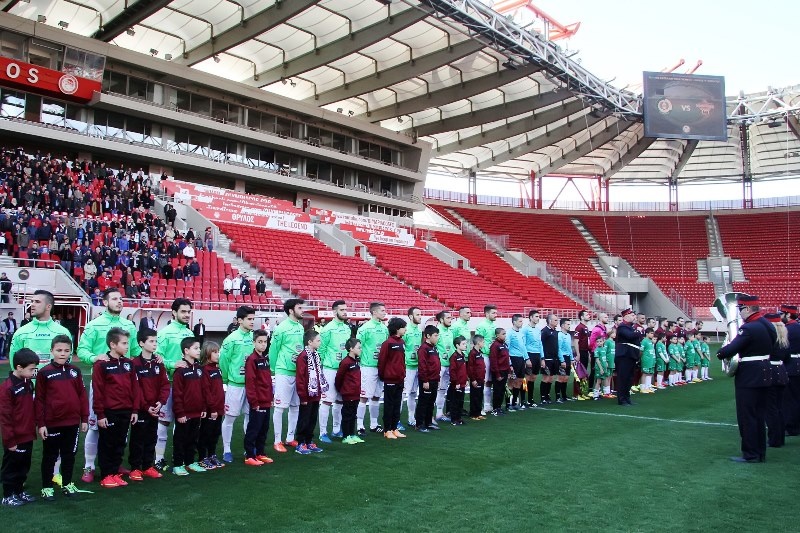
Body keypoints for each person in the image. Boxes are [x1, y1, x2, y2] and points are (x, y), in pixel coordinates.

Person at [78, 289, 140, 483]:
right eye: (114, 299)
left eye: (121, 299)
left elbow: (136, 350)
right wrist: (95, 357)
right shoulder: (94, 325)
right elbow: (81, 350)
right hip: (102, 384)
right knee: (96, 426)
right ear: (105, 302)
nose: (119, 302)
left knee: (120, 430)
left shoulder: (129, 324)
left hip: (123, 382)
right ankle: (89, 466)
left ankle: (115, 465)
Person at [717, 295, 775, 462]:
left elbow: (729, 351)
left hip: (749, 375)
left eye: (740, 309)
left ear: (748, 309)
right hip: (765, 372)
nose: (739, 312)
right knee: (759, 415)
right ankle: (760, 453)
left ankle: (750, 453)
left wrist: (722, 351)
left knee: (747, 416)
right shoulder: (767, 324)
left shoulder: (748, 328)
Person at [35, 336, 89, 501]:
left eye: (66, 351)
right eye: (59, 350)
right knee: (50, 456)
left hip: (72, 422)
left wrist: (84, 418)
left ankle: (67, 483)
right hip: (52, 423)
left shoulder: (75, 371)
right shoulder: (44, 373)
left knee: (69, 455)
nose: (62, 354)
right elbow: (39, 400)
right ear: (52, 351)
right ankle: (47, 487)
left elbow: (81, 395)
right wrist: (41, 423)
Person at [93, 328, 141, 488]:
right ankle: (106, 474)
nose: (127, 346)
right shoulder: (101, 365)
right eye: (124, 343)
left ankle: (115, 472)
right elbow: (98, 391)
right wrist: (100, 414)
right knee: (108, 443)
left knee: (120, 442)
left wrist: (134, 409)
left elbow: (135, 388)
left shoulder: (128, 364)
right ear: (113, 344)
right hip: (109, 412)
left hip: (126, 410)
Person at [154, 298, 194, 470]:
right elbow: (157, 358)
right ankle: (158, 459)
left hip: (186, 386)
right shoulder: (164, 333)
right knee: (163, 421)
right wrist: (172, 364)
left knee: (182, 421)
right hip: (168, 384)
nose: (186, 315)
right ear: (174, 313)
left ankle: (181, 457)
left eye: (188, 312)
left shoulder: (190, 333)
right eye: (183, 311)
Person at [128, 329, 169, 482]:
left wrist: (161, 401)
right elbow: (135, 389)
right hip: (141, 409)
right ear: (141, 343)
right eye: (151, 341)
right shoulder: (134, 364)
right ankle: (135, 468)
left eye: (156, 341)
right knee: (138, 439)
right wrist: (145, 406)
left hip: (155, 408)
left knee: (152, 437)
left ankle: (147, 466)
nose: (154, 344)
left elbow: (165, 385)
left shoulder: (158, 363)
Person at [0, 348, 38, 506]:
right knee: (12, 467)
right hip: (15, 437)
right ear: (19, 368)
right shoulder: (8, 388)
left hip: (27, 434)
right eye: (31, 369)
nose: (34, 372)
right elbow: (5, 417)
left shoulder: (28, 383)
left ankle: (19, 491)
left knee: (24, 465)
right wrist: (10, 440)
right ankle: (8, 496)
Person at [219, 306, 255, 463]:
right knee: (230, 418)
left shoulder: (255, 337)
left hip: (251, 385)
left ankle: (249, 449)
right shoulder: (231, 339)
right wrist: (227, 380)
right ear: (240, 320)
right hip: (235, 384)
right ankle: (227, 449)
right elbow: (223, 361)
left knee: (249, 416)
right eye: (249, 319)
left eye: (253, 319)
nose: (252, 322)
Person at [269, 299, 306, 452]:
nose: (302, 310)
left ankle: (290, 437)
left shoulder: (300, 327)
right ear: (291, 310)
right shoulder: (281, 328)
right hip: (283, 371)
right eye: (299, 308)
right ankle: (277, 440)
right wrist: (274, 369)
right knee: (280, 407)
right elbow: (273, 350)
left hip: (297, 372)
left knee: (295, 406)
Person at [9, 290, 72, 372]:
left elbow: (68, 358)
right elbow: (13, 359)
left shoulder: (63, 332)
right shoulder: (21, 332)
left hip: (54, 383)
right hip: (29, 384)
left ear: (48, 306)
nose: (32, 304)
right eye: (32, 301)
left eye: (37, 302)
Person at [171, 337, 206, 476]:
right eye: (196, 348)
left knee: (193, 438)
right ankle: (178, 465)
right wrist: (180, 413)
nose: (199, 351)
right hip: (184, 414)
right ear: (186, 350)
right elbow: (177, 394)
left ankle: (190, 462)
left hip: (197, 412)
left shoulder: (199, 368)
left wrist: (203, 408)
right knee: (180, 439)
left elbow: (202, 390)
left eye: (199, 348)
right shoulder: (180, 371)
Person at [318, 300, 350, 443]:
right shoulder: (327, 329)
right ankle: (323, 432)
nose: (345, 312)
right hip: (330, 369)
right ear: (334, 312)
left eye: (345, 309)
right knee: (326, 401)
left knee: (340, 401)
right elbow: (321, 350)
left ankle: (336, 429)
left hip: (344, 370)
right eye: (342, 310)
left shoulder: (347, 329)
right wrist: (324, 368)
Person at [356, 302, 389, 436]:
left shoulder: (384, 328)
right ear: (374, 312)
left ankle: (374, 424)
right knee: (364, 397)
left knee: (376, 396)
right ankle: (359, 425)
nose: (384, 312)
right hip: (367, 367)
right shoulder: (365, 328)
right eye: (382, 310)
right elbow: (358, 346)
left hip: (380, 367)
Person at [243, 330, 274, 466]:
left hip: (266, 400)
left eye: (265, 342)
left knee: (264, 428)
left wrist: (271, 397)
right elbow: (250, 382)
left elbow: (267, 380)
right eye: (260, 342)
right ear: (254, 342)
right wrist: (254, 402)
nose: (263, 345)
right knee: (254, 429)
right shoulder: (252, 360)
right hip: (258, 402)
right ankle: (249, 455)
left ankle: (260, 453)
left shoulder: (264, 359)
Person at [295, 330, 327, 453]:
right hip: (307, 395)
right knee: (304, 418)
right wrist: (302, 396)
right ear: (309, 342)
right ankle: (300, 442)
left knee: (312, 418)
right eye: (318, 340)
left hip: (315, 394)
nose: (320, 342)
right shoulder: (303, 356)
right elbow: (301, 377)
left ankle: (309, 441)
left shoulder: (316, 355)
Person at [378, 318, 407, 440]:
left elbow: (402, 361)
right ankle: (387, 429)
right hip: (390, 379)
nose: (405, 329)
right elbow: (382, 361)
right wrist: (384, 376)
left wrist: (403, 374)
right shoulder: (387, 343)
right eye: (403, 327)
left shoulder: (402, 342)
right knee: (389, 405)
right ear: (397, 328)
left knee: (397, 404)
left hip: (400, 379)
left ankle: (394, 428)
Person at [198, 342, 225, 470]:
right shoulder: (205, 370)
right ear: (207, 354)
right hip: (210, 410)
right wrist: (212, 409)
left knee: (215, 434)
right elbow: (206, 392)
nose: (217, 354)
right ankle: (203, 458)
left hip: (218, 409)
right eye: (214, 352)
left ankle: (212, 455)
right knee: (206, 434)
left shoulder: (217, 369)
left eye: (218, 351)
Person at [764, 314, 790, 449]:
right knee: (779, 407)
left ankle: (774, 439)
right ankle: (780, 437)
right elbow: (787, 358)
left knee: (771, 409)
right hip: (782, 371)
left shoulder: (770, 339)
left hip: (770, 373)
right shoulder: (784, 340)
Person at [335, 339, 364, 445]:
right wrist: (343, 390)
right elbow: (339, 378)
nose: (360, 349)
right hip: (348, 393)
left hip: (356, 393)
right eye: (358, 347)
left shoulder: (356, 361)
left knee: (353, 414)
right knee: (347, 414)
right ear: (351, 349)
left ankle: (352, 434)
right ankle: (346, 435)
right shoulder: (345, 362)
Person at [615, 309, 642, 406]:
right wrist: (638, 332)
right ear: (626, 316)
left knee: (629, 378)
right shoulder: (622, 327)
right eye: (632, 315)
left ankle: (627, 398)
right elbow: (630, 336)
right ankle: (622, 399)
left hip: (631, 355)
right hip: (624, 355)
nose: (634, 317)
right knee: (623, 378)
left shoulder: (631, 327)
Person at [415, 325, 440, 432]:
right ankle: (419, 424)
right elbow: (422, 365)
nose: (437, 337)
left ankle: (428, 422)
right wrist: (425, 380)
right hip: (427, 380)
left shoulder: (433, 348)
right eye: (435, 335)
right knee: (423, 402)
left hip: (434, 379)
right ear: (428, 336)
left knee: (431, 402)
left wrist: (437, 379)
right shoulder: (423, 349)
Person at [475, 305, 498, 413]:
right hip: (485, 356)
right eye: (493, 313)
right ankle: (481, 406)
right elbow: (478, 342)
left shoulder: (494, 325)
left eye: (496, 313)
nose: (495, 315)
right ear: (487, 313)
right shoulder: (482, 325)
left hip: (493, 357)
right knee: (483, 380)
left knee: (489, 381)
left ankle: (488, 405)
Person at [781, 305, 800, 435]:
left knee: (789, 399)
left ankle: (792, 427)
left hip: (790, 365)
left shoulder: (786, 330)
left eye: (782, 314)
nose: (781, 316)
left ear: (788, 315)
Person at [402, 307, 423, 428]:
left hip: (417, 365)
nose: (420, 316)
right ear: (410, 317)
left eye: (420, 314)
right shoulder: (406, 330)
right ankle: (396, 421)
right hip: (408, 366)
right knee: (404, 393)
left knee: (413, 393)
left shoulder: (419, 331)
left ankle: (411, 418)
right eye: (417, 314)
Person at [433, 310, 454, 423]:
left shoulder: (450, 332)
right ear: (441, 320)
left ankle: (439, 413)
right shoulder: (437, 332)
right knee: (435, 389)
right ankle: (429, 415)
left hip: (448, 365)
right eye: (448, 318)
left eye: (451, 318)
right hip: (439, 365)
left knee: (442, 390)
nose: (450, 320)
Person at [507, 314, 527, 410]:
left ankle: (514, 402)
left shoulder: (521, 333)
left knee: (519, 381)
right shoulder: (509, 333)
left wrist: (526, 359)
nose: (521, 323)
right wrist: (509, 363)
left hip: (521, 359)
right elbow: (507, 349)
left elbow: (523, 347)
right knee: (511, 381)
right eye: (520, 321)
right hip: (513, 358)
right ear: (514, 322)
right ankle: (508, 404)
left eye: (522, 321)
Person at [522, 310, 542, 407]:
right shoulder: (525, 329)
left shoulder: (538, 330)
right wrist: (526, 358)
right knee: (526, 378)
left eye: (539, 316)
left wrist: (542, 357)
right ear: (530, 317)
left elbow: (540, 344)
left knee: (533, 377)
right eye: (536, 316)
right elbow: (523, 344)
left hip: (537, 355)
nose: (538, 318)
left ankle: (530, 399)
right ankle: (522, 399)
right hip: (529, 354)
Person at [489, 328, 510, 416]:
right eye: (503, 334)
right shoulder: (495, 345)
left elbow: (506, 359)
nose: (505, 335)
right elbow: (493, 360)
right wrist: (497, 374)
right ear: (497, 335)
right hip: (499, 371)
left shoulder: (504, 344)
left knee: (502, 390)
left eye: (505, 334)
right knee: (497, 390)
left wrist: (508, 371)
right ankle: (495, 408)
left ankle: (499, 407)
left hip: (505, 370)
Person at [539, 314, 559, 404]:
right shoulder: (545, 331)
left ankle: (547, 395)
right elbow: (541, 344)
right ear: (550, 321)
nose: (557, 321)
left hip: (554, 358)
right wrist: (542, 358)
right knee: (545, 378)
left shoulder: (555, 331)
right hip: (547, 358)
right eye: (555, 320)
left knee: (551, 378)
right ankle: (543, 397)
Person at [448, 336, 468, 425]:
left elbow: (463, 369)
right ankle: (454, 419)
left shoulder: (462, 355)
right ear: (457, 345)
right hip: (457, 384)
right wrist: (456, 382)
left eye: (465, 344)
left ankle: (459, 418)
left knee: (460, 401)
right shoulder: (454, 357)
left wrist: (466, 379)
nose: (465, 346)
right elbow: (452, 371)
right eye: (463, 344)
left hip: (462, 383)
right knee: (455, 401)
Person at [572, 310, 591, 399]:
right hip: (581, 352)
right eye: (587, 315)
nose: (589, 316)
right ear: (582, 317)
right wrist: (578, 353)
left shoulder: (585, 327)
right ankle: (577, 393)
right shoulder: (579, 327)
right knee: (579, 372)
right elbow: (576, 341)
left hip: (585, 351)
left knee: (584, 372)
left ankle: (583, 392)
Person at [467, 335, 487, 419]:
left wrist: (483, 377)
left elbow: (482, 366)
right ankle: (473, 413)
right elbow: (470, 368)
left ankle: (478, 413)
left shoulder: (480, 353)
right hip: (475, 379)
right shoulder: (472, 353)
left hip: (481, 378)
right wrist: (473, 379)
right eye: (483, 342)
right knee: (475, 396)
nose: (484, 344)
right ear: (478, 343)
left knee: (479, 396)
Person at [556, 317, 573, 403]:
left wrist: (572, 358)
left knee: (566, 377)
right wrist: (562, 360)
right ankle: (557, 397)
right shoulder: (559, 335)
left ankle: (564, 395)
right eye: (568, 324)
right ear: (562, 325)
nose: (569, 326)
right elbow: (558, 348)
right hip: (561, 357)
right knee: (560, 377)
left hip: (568, 357)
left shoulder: (569, 335)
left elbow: (569, 348)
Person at [639, 328, 656, 394]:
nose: (652, 335)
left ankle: (647, 387)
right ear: (647, 334)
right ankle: (642, 388)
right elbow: (641, 350)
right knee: (644, 373)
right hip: (646, 360)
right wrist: (641, 358)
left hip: (651, 360)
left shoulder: (650, 341)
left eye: (653, 333)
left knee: (649, 373)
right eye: (651, 333)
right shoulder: (644, 341)